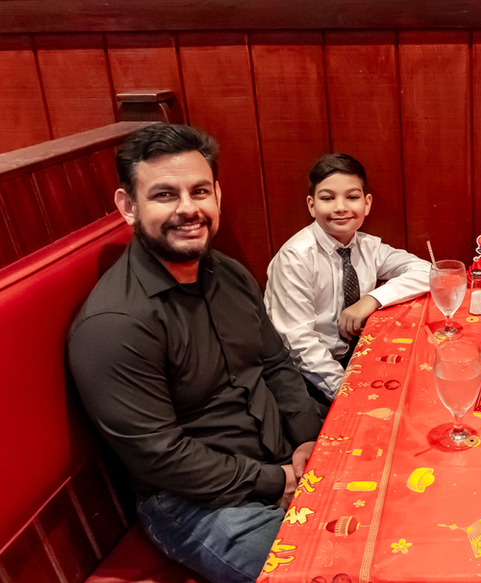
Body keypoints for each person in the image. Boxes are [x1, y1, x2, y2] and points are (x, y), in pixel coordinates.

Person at [67, 124, 324, 583]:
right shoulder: (114, 325)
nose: (188, 209)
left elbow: (275, 364)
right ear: (128, 206)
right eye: (165, 195)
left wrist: (308, 441)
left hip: (283, 459)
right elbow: (160, 456)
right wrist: (279, 480)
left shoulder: (228, 272)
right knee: (323, 570)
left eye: (199, 191)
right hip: (195, 503)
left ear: (217, 196)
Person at [264, 153, 430, 405]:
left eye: (352, 197)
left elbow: (427, 272)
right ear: (311, 205)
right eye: (327, 198)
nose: (340, 207)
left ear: (367, 203)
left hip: (355, 357)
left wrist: (371, 300)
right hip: (305, 376)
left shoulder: (367, 247)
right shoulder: (296, 257)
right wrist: (347, 391)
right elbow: (297, 342)